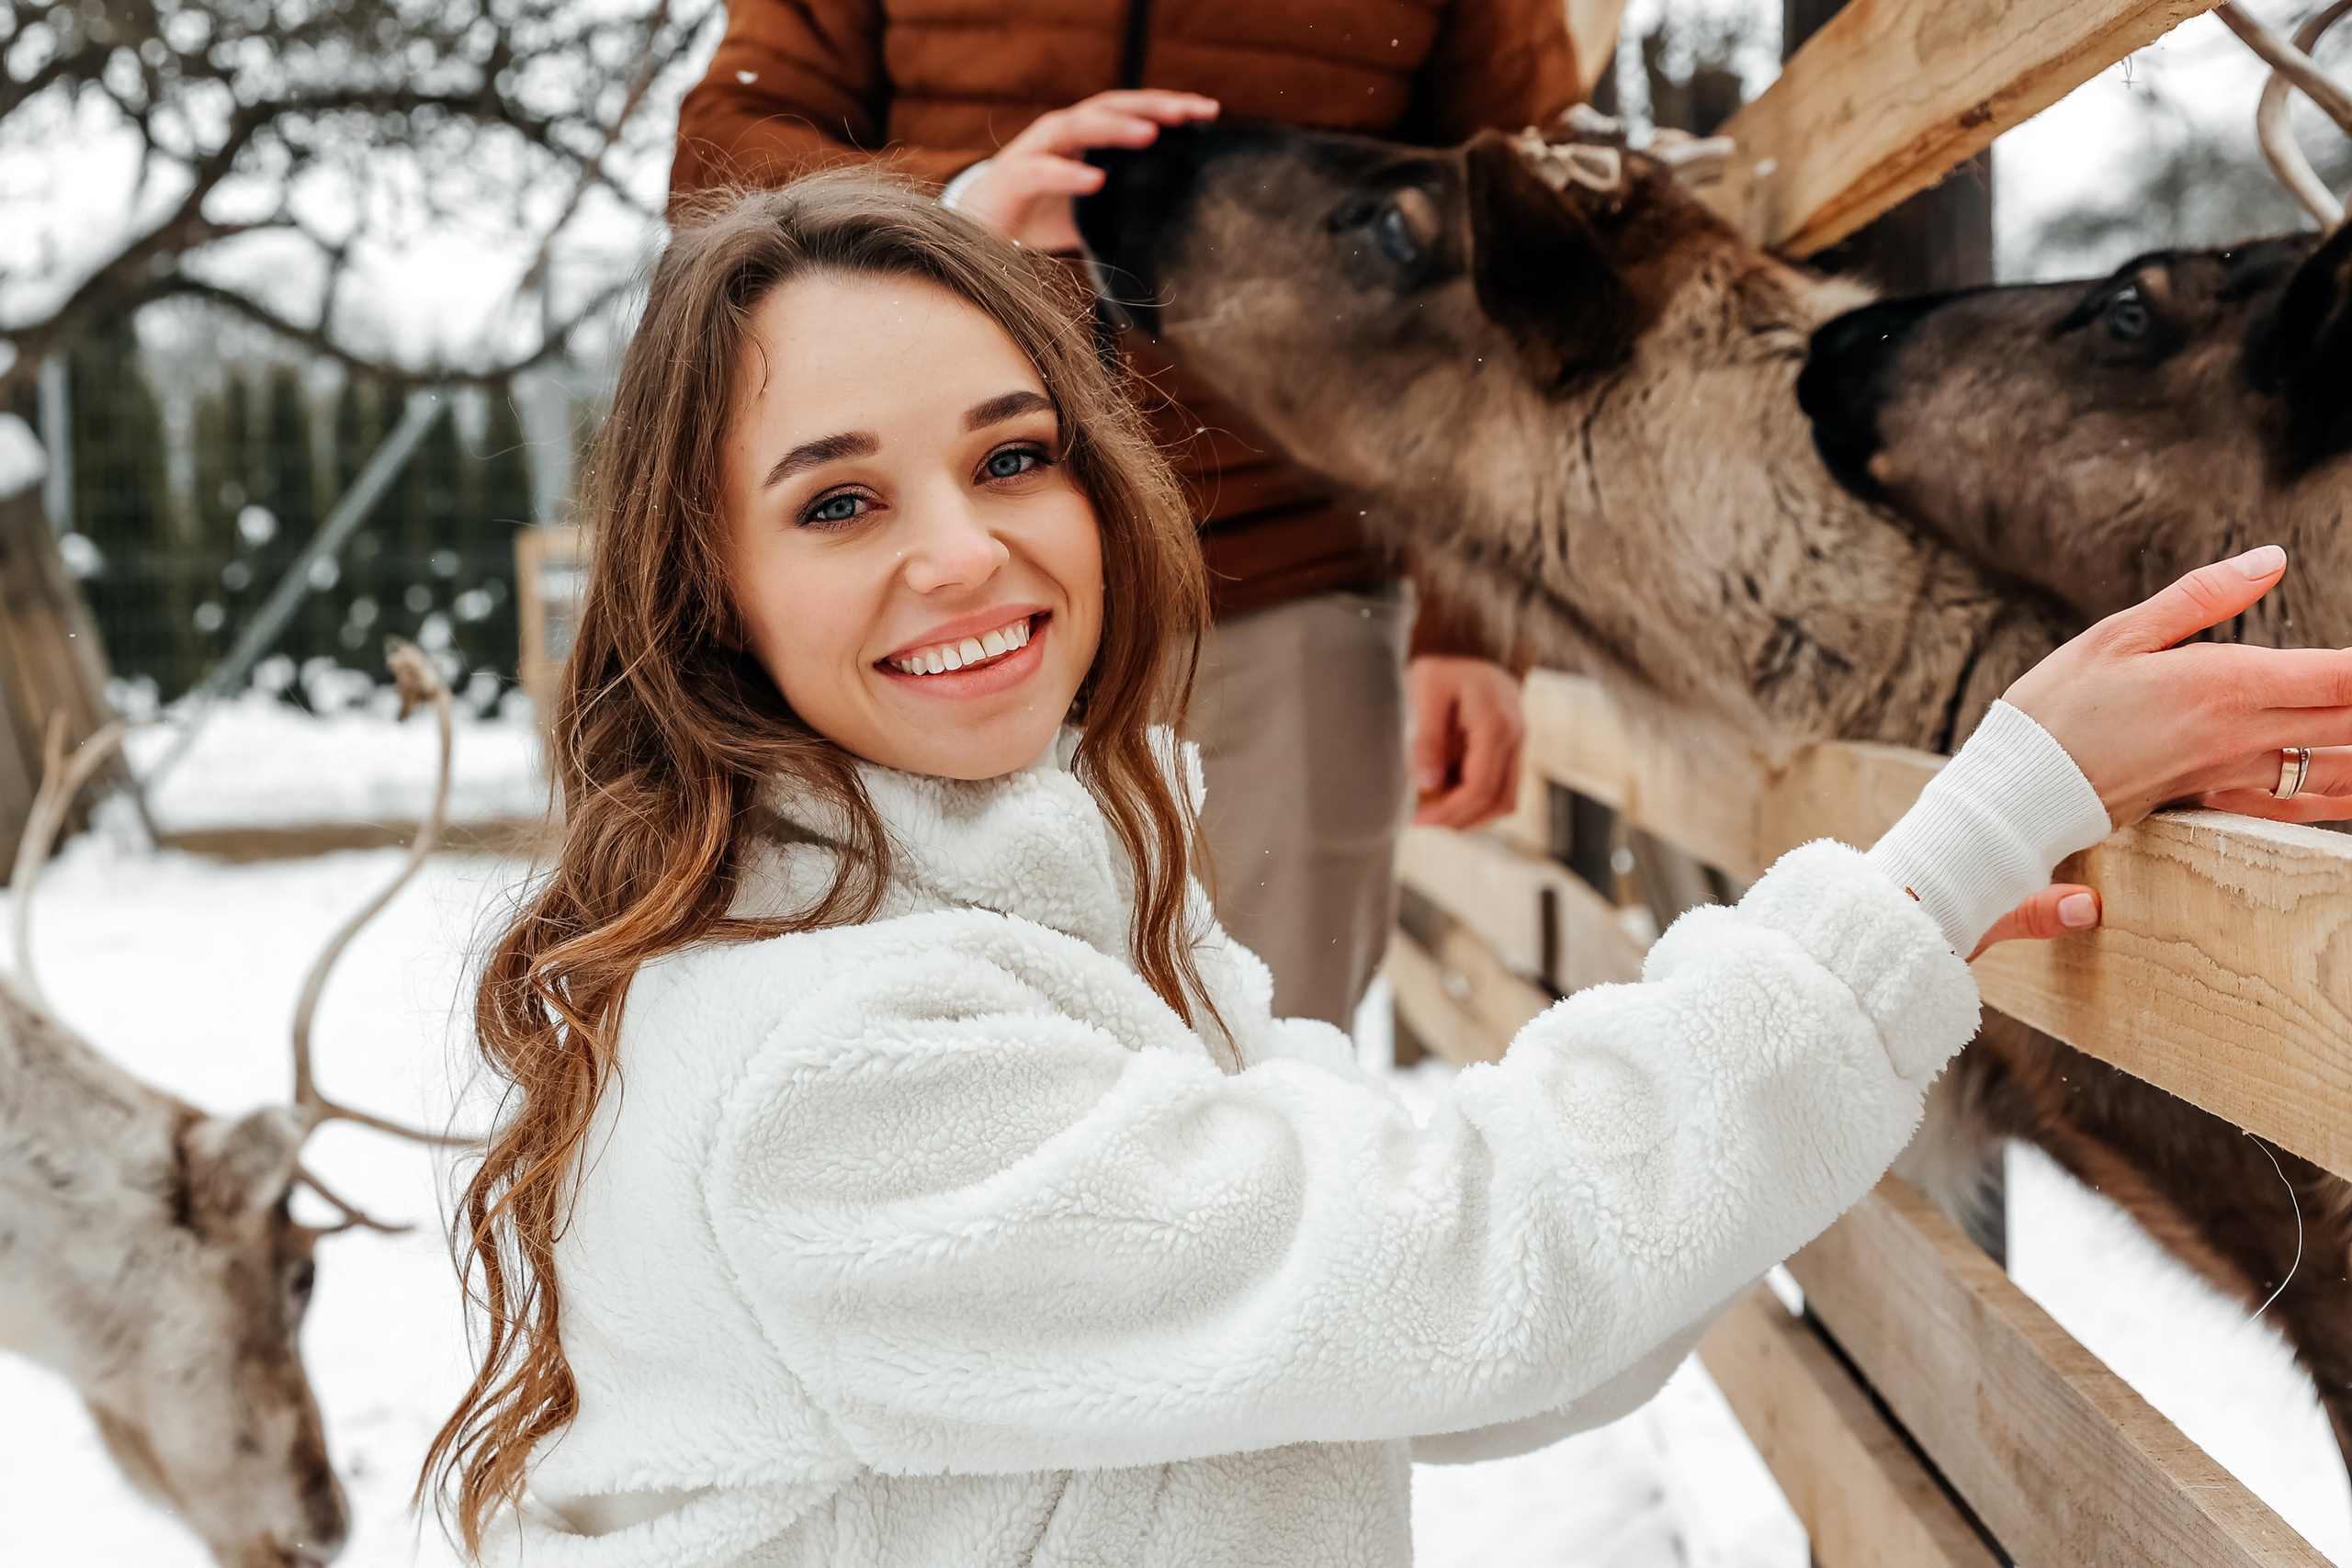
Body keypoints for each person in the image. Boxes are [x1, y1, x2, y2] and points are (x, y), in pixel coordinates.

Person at [423, 176, 2352, 1565]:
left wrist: (1889, 934)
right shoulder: (821, 1070)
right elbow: (1469, 1264)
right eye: (838, 499)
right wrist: (1955, 847)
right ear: (704, 583)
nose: (962, 553)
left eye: (1013, 456)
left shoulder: (1040, 918)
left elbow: (1458, 1347)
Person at [666, 0, 1589, 1029]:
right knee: (932, 1052)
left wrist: (1477, 620)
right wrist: (955, 208)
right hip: (928, 602)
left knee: (1270, 1046)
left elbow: (1528, 237)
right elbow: (718, 160)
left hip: (1285, 580)